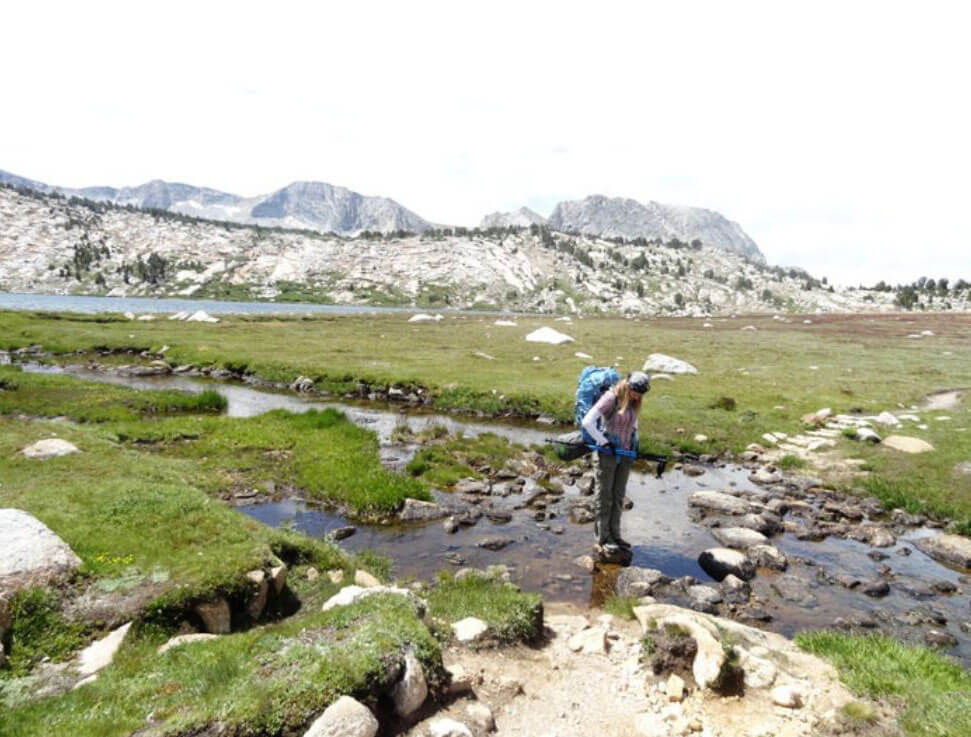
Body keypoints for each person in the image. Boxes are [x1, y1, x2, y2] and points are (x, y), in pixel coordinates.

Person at [580, 370, 650, 558]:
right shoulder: (611, 398)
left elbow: (634, 425)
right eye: (636, 392)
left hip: (625, 454)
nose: (638, 397)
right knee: (604, 496)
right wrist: (603, 442)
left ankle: (616, 535)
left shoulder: (634, 402)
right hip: (607, 454)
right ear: (628, 386)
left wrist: (637, 447)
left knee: (618, 496)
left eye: (641, 394)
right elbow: (587, 422)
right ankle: (603, 538)